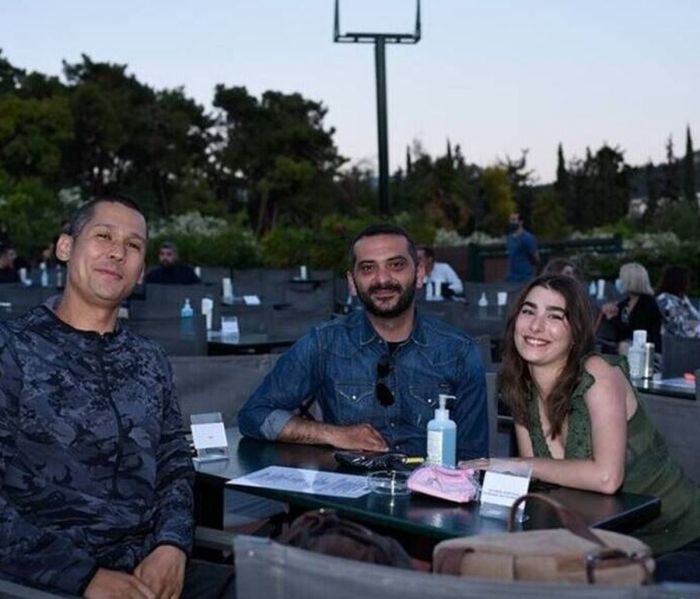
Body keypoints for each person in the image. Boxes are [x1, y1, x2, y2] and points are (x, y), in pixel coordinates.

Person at [0, 196, 235, 597]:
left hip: (150, 566)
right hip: (42, 579)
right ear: (65, 247)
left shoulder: (149, 359)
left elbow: (174, 464)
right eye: (103, 236)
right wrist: (85, 577)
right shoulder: (12, 349)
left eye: (133, 245)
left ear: (141, 272)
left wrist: (172, 545)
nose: (117, 252)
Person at [462, 274, 700, 582]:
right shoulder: (520, 386)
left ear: (576, 331)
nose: (536, 326)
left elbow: (606, 478)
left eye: (555, 316)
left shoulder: (597, 373)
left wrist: (514, 465)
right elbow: (542, 481)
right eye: (529, 311)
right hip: (603, 546)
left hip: (681, 540)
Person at [238, 223, 489, 460]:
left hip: (431, 489)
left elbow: (473, 458)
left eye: (396, 265)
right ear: (352, 283)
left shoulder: (459, 351)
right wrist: (334, 434)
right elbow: (254, 415)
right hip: (349, 486)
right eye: (368, 268)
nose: (382, 279)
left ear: (420, 274)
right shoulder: (325, 343)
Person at [600, 262, 662, 354]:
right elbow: (622, 330)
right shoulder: (625, 303)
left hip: (646, 351)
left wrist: (612, 318)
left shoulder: (647, 303)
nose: (619, 281)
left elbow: (637, 332)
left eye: (621, 278)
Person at [656, 265, 700, 338]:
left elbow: (696, 316)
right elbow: (677, 326)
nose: (689, 283)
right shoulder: (664, 300)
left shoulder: (683, 298)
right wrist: (693, 325)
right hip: (674, 342)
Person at [505, 212, 539, 283]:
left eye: (514, 220)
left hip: (525, 277)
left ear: (520, 222)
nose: (511, 222)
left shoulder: (527, 238)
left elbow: (536, 258)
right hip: (511, 278)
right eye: (510, 220)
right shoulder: (509, 238)